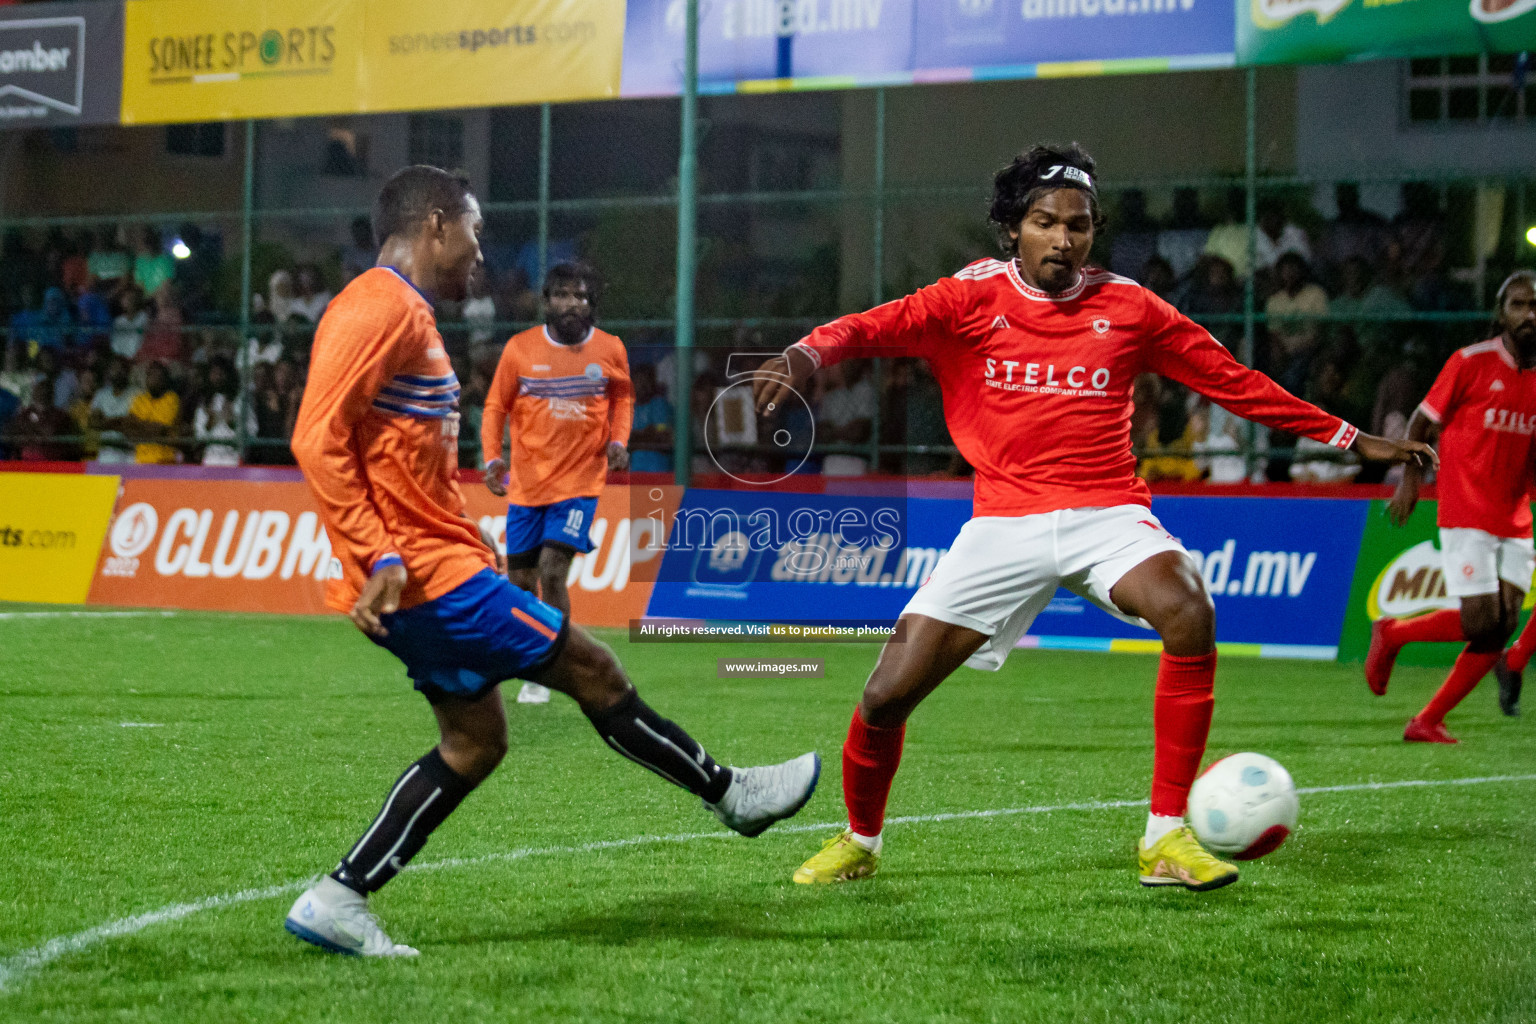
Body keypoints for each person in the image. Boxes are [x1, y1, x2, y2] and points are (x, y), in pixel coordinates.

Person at [752, 143, 1432, 891]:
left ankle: (1166, 839)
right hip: (1003, 523)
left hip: (1106, 513)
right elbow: (869, 326)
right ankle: (860, 840)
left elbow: (1234, 382)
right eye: (1046, 223)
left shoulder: (1133, 308)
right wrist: (806, 354)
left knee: (1188, 608)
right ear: (1013, 228)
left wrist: (1350, 438)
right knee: (886, 696)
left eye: (1078, 226)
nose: (1064, 240)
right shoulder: (968, 299)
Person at [283, 166, 817, 957]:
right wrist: (380, 553)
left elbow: (396, 460)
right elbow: (315, 438)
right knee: (594, 669)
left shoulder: (407, 313)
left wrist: (464, 539)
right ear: (434, 224)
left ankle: (339, 896)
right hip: (425, 580)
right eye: (473, 230)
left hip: (440, 566)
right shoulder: (379, 306)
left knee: (475, 743)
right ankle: (730, 793)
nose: (479, 251)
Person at [1366, 271, 1536, 733]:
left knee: (1499, 627)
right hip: (1467, 508)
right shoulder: (1470, 362)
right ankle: (1393, 634)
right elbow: (1420, 425)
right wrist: (1408, 484)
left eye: (1535, 306)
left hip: (1516, 517)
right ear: (1502, 312)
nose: (1529, 315)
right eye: (1519, 305)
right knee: (1483, 621)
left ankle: (1426, 720)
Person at [480, 261, 633, 704]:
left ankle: (555, 665)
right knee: (522, 580)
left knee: (552, 571)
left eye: (581, 296)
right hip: (528, 486)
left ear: (591, 305)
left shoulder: (610, 349)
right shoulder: (519, 350)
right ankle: (534, 661)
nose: (572, 304)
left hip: (580, 484)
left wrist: (619, 440)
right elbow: (494, 407)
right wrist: (493, 458)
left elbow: (622, 397)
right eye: (563, 295)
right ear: (547, 301)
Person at [90, 356, 142, 464]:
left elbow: (131, 423)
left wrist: (106, 422)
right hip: (106, 453)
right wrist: (119, 422)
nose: (118, 372)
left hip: (129, 454)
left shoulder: (137, 394)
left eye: (121, 368)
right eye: (114, 368)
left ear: (128, 371)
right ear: (108, 372)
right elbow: (94, 422)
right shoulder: (101, 394)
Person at [127, 361, 180, 464]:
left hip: (165, 461)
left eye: (159, 376)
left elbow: (159, 430)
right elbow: (129, 427)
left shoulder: (171, 399)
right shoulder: (139, 399)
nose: (154, 379)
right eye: (151, 375)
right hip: (140, 460)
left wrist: (139, 425)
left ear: (165, 380)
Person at [627, 362, 674, 473]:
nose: (642, 385)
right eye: (639, 380)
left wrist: (635, 437)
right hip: (634, 472)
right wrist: (646, 433)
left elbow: (662, 438)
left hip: (658, 471)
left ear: (653, 383)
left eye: (646, 380)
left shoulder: (659, 404)